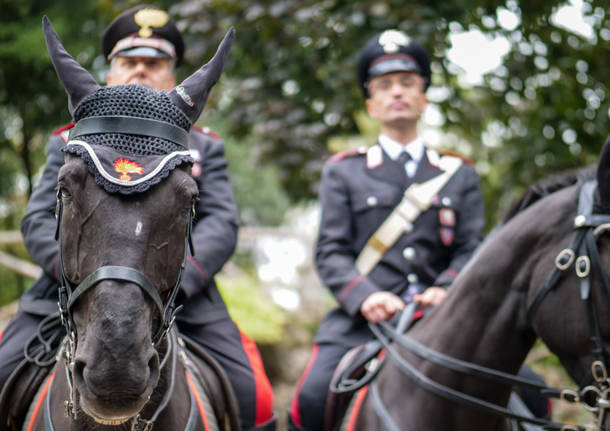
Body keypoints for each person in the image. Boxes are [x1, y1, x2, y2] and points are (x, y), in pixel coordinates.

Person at [0, 6, 275, 430]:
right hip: (71, 290)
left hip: (183, 294)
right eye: (129, 62)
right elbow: (37, 219)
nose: (140, 72)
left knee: (251, 393)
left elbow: (220, 221)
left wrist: (180, 278)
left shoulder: (203, 146)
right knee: (2, 374)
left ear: (173, 75)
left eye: (154, 64)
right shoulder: (67, 141)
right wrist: (77, 276)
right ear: (110, 72)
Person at [288, 29, 486, 431]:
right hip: (364, 323)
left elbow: (472, 249)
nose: (397, 92)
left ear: (424, 98)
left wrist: (446, 289)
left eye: (408, 84)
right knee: (311, 398)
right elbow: (331, 252)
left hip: (445, 317)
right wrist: (366, 297)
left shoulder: (459, 174)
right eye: (385, 86)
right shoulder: (344, 171)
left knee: (531, 394)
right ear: (371, 104)